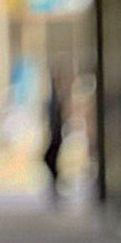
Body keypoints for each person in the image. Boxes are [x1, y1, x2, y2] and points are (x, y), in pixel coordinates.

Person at [42, 70, 65, 202]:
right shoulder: (54, 98)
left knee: (50, 159)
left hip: (56, 136)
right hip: (54, 135)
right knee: (50, 159)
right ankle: (55, 184)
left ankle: (56, 184)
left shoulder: (57, 99)